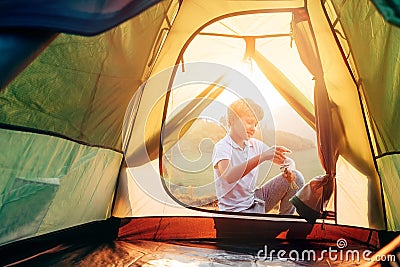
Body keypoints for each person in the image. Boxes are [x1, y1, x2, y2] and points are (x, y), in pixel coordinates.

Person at [212, 98, 305, 214]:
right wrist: (261, 157)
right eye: (249, 122)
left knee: (298, 177)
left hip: (254, 201)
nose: (253, 128)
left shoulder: (255, 145)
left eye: (256, 124)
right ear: (233, 120)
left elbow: (286, 161)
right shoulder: (222, 147)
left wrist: (290, 169)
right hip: (234, 212)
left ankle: (284, 220)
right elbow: (229, 176)